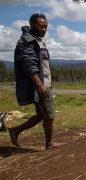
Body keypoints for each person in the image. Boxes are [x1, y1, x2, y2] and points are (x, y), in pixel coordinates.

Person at [9, 13, 65, 149]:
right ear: (32, 25)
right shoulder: (27, 40)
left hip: (44, 84)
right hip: (38, 85)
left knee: (42, 114)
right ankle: (49, 143)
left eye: (46, 26)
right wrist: (40, 85)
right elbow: (29, 66)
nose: (44, 29)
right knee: (49, 114)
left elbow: (42, 64)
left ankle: (15, 130)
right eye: (41, 26)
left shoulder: (38, 40)